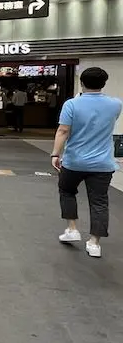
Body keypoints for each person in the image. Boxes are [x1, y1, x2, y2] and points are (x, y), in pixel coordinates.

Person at [52, 67, 123, 258]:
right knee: (99, 201)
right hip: (103, 163)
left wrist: (55, 154)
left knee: (67, 191)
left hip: (74, 161)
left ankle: (72, 228)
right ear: (104, 83)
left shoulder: (71, 104)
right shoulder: (116, 104)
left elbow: (63, 131)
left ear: (81, 82)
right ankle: (94, 243)